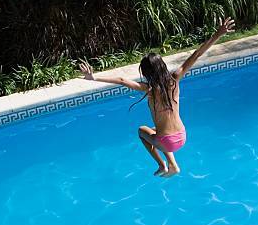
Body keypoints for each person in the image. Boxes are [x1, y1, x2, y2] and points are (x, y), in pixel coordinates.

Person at [79, 18, 236, 177]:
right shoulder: (175, 78)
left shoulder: (149, 89)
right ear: (162, 66)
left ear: (147, 73)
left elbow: (122, 81)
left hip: (166, 142)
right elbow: (196, 54)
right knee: (156, 130)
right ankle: (173, 164)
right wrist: (218, 34)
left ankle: (163, 165)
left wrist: (94, 78)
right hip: (182, 136)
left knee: (141, 130)